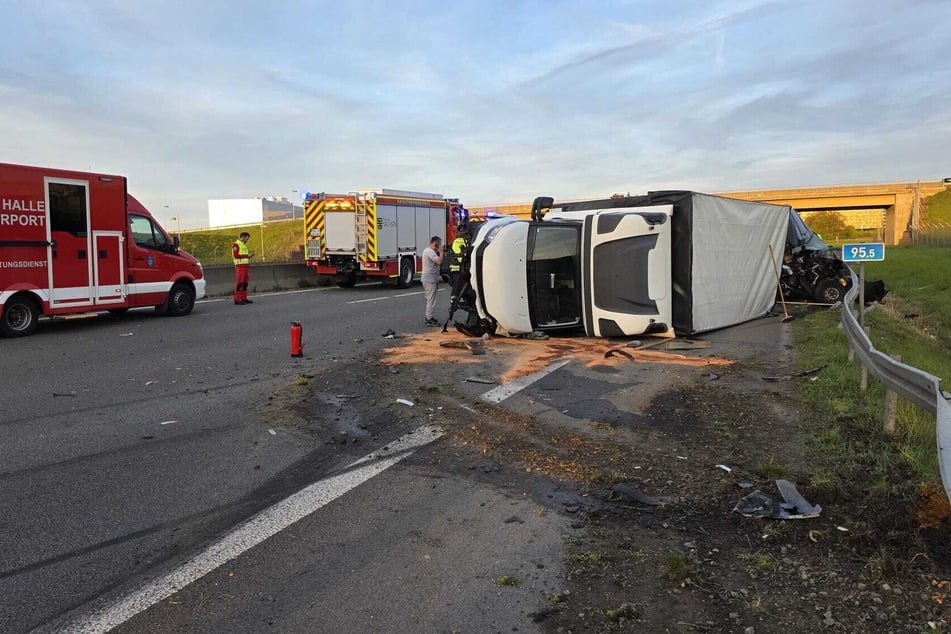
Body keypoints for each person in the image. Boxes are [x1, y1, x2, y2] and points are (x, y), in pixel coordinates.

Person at [421, 236, 443, 326]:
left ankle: (429, 316)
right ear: (435, 244)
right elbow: (439, 261)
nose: (440, 246)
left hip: (429, 278)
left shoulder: (428, 251)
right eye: (439, 245)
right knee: (431, 299)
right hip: (430, 279)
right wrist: (441, 252)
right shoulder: (429, 251)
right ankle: (429, 319)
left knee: (430, 298)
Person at [232, 232, 254, 305]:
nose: (247, 240)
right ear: (243, 237)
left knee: (245, 283)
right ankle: (237, 299)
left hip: (245, 266)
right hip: (240, 266)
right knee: (240, 283)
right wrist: (247, 256)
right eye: (247, 239)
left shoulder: (243, 245)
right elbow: (236, 255)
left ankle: (244, 298)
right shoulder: (236, 244)